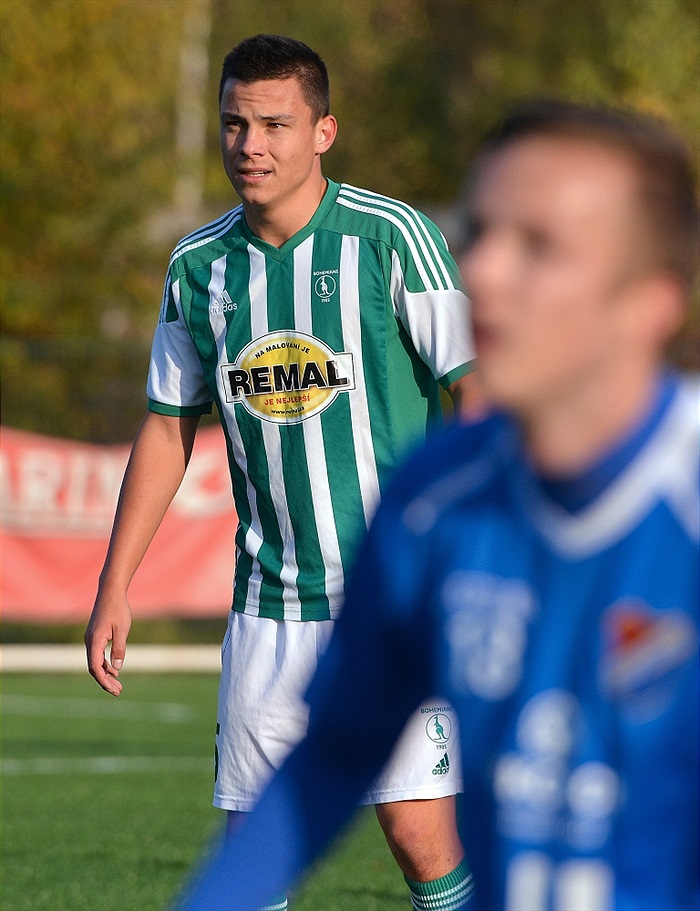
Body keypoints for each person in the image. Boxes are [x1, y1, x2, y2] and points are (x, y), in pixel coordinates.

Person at [175, 99, 700, 911]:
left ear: (650, 303)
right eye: (481, 233)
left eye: (540, 247)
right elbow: (328, 762)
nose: (482, 272)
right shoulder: (431, 502)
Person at [85, 34, 482, 911]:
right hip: (269, 607)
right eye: (234, 123)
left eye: (274, 123)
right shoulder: (199, 267)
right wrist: (115, 583)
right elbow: (165, 428)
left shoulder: (393, 237)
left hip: (392, 600)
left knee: (420, 834)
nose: (250, 145)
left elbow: (478, 393)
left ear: (324, 132)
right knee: (253, 854)